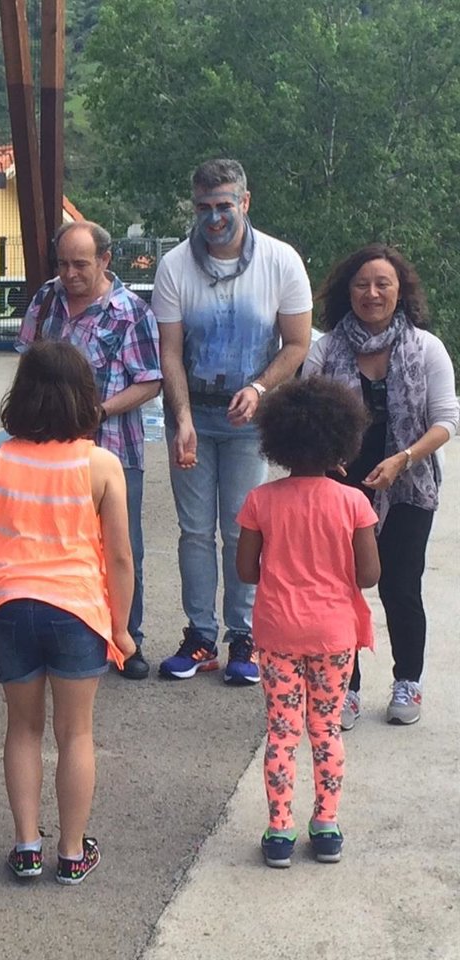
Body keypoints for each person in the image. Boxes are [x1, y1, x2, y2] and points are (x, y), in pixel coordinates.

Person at [0, 340, 136, 885]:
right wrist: (122, 629)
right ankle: (73, 852)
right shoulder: (101, 465)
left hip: (13, 606)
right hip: (76, 610)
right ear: (84, 395)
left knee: (22, 730)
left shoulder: (0, 459)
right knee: (76, 733)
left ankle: (27, 846)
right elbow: (122, 557)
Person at [153, 158, 313, 684]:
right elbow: (170, 353)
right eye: (204, 208)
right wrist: (180, 419)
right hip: (192, 410)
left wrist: (260, 387)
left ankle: (244, 634)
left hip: (251, 416)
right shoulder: (175, 266)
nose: (214, 217)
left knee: (244, 528)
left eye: (225, 206)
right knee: (195, 532)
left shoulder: (281, 260)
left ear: (245, 202)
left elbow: (297, 343)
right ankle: (200, 636)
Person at [304, 243, 459, 727]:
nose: (371, 293)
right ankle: (344, 688)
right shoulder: (325, 348)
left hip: (408, 487)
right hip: (339, 489)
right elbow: (302, 410)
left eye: (382, 284)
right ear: (346, 291)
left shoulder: (426, 347)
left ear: (400, 291)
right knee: (340, 590)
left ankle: (407, 681)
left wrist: (404, 459)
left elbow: (447, 421)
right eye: (361, 284)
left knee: (400, 587)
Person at [236, 377, 380, 867]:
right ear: (342, 441)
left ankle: (279, 831)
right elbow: (369, 574)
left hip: (277, 630)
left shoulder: (262, 500)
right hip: (334, 633)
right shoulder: (354, 502)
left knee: (282, 730)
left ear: (278, 440)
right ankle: (327, 827)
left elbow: (244, 570)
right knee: (326, 728)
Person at [17, 220, 162, 680]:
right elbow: (27, 359)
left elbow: (150, 381)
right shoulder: (45, 299)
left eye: (80, 264)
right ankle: (63, 635)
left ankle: (126, 638)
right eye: (62, 264)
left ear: (105, 260)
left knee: (121, 546)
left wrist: (98, 412)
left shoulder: (131, 311)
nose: (70, 273)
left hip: (113, 449)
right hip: (47, 450)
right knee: (55, 544)